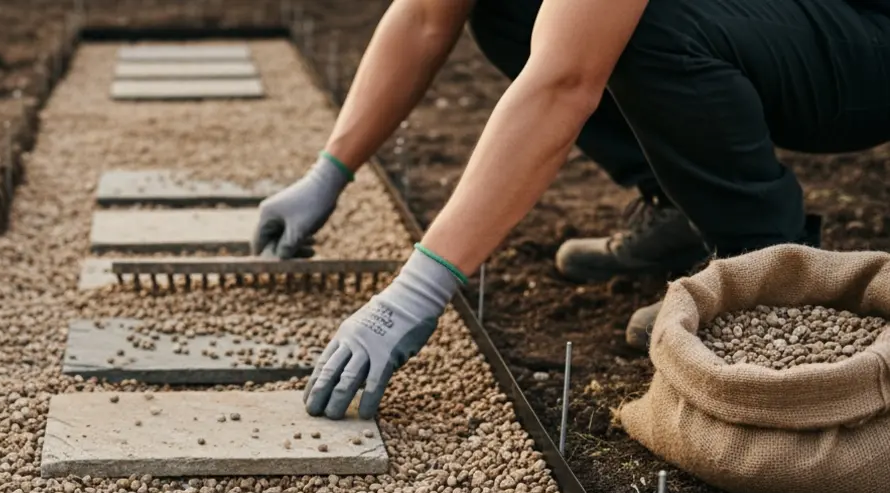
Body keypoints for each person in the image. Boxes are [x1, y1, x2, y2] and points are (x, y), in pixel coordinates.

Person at [254, 0, 890, 420]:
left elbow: (564, 81)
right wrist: (329, 172)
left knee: (643, 29)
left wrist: (419, 288)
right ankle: (684, 203)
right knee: (511, 10)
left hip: (866, 37)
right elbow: (424, 16)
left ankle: (764, 266)